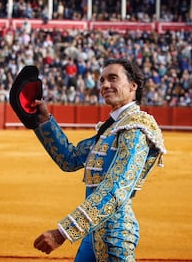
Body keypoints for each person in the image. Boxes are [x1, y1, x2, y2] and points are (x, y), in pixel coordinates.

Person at [31, 58, 166, 261]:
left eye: (113, 78)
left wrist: (64, 232)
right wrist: (44, 120)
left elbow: (116, 190)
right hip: (93, 232)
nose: (104, 85)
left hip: (115, 236)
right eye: (101, 80)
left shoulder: (136, 128)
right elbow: (70, 158)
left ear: (132, 86)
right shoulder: (112, 127)